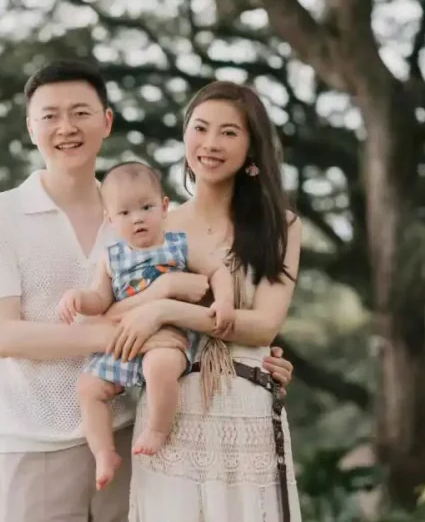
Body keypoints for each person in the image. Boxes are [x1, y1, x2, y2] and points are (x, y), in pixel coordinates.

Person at [0, 60, 295, 522]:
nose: (66, 127)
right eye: (50, 115)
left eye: (80, 112)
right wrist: (158, 303)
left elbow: (220, 307)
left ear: (106, 121)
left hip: (130, 432)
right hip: (34, 440)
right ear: (30, 127)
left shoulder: (137, 216)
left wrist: (253, 361)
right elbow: (5, 337)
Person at [103, 80, 304, 521]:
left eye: (229, 132)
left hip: (247, 407)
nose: (211, 143)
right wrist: (161, 291)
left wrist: (165, 310)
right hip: (171, 411)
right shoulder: (154, 226)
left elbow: (263, 325)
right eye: (200, 128)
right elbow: (112, 315)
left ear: (251, 147)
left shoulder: (281, 226)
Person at [56, 160, 235, 492]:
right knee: (88, 388)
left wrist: (223, 300)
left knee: (160, 368)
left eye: (146, 207)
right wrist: (79, 298)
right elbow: (101, 300)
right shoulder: (111, 257)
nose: (137, 218)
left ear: (164, 207)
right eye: (124, 213)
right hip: (125, 341)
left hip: (167, 335)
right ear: (110, 220)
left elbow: (218, 271)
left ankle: (158, 428)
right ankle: (104, 453)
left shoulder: (178, 245)